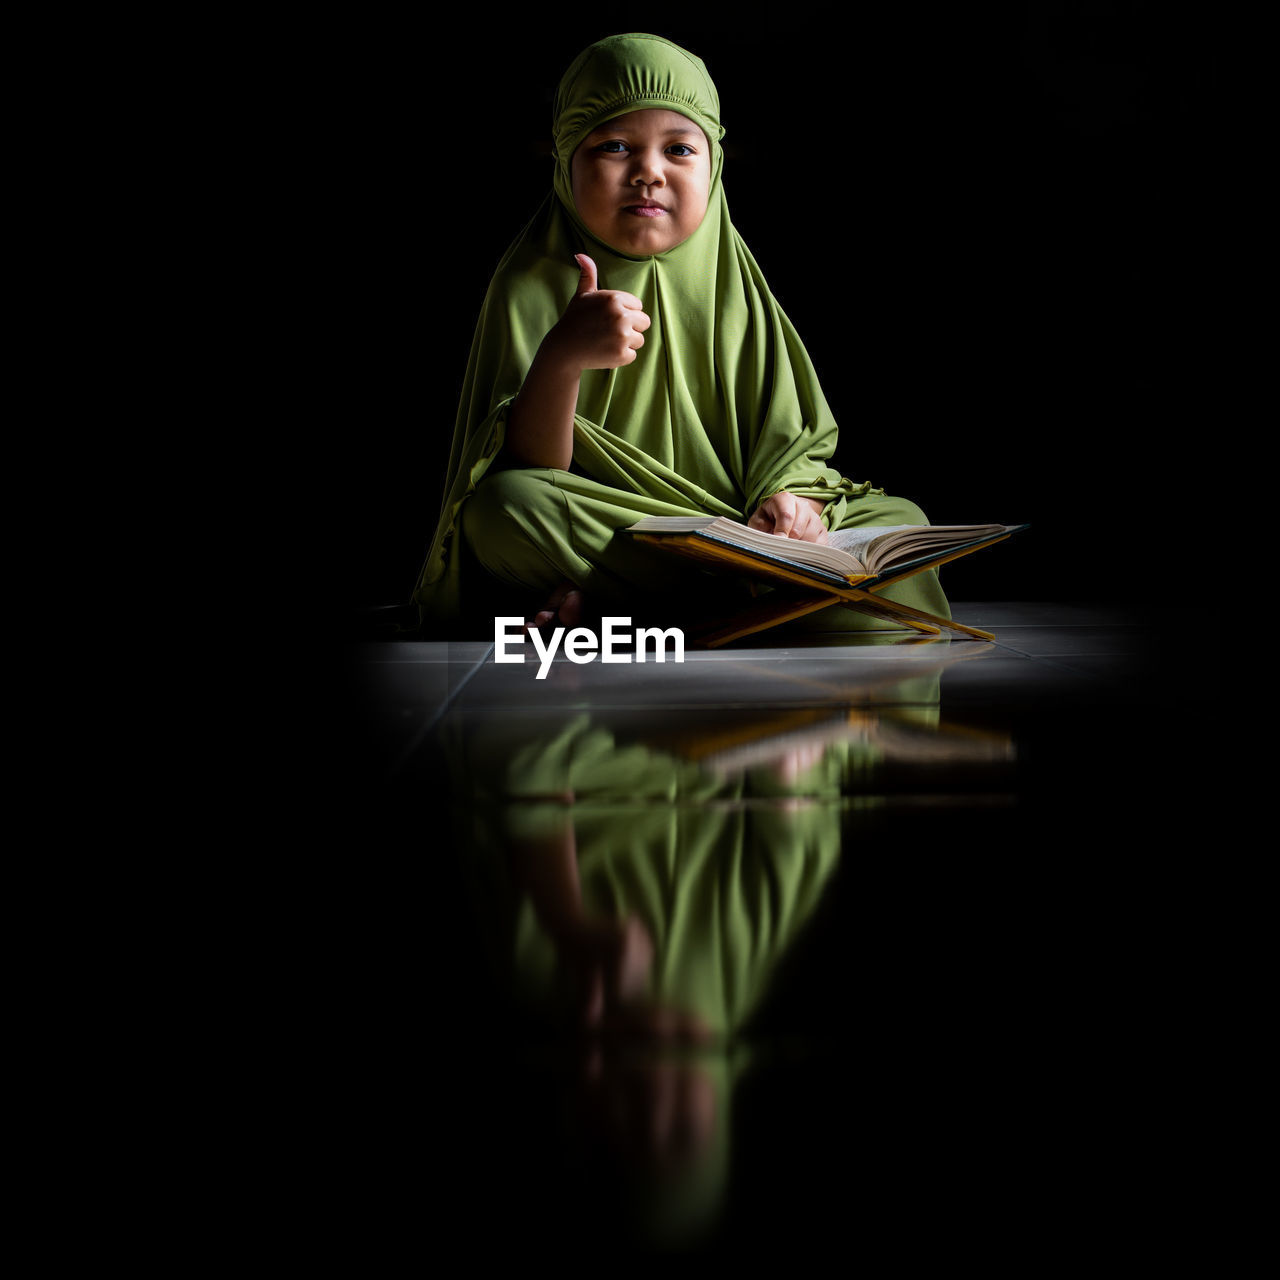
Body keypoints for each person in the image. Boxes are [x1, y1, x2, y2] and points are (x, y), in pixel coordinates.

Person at [412, 32, 951, 636]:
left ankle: (634, 606)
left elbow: (791, 440)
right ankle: (754, 604)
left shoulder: (734, 283)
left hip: (739, 526)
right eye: (614, 146)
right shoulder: (531, 281)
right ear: (566, 163)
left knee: (904, 521)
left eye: (679, 150)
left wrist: (792, 503)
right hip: (622, 525)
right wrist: (562, 357)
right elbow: (525, 466)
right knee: (501, 512)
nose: (648, 173)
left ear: (714, 165)